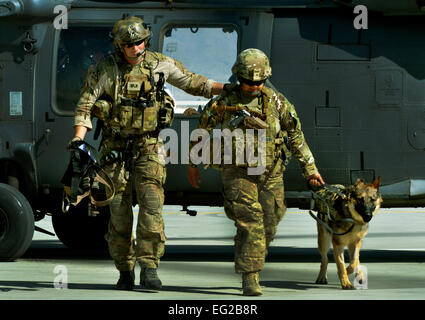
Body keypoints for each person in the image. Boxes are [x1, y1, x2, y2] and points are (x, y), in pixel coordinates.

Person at [70, 16, 224, 291]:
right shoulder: (106, 69)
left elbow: (193, 82)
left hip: (150, 146)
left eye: (139, 42)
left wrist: (229, 88)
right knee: (118, 214)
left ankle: (150, 267)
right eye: (129, 44)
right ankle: (125, 269)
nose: (135, 48)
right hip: (114, 147)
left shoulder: (159, 64)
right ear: (119, 46)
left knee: (152, 209)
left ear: (146, 41)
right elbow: (85, 105)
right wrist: (78, 140)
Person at [187, 48, 324, 296]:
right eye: (249, 82)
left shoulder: (278, 102)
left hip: (271, 173)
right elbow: (202, 131)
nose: (254, 86)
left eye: (259, 82)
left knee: (270, 222)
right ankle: (251, 277)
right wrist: (193, 163)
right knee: (252, 222)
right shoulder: (223, 103)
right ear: (239, 78)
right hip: (238, 173)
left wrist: (310, 169)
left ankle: (246, 251)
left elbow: (295, 135)